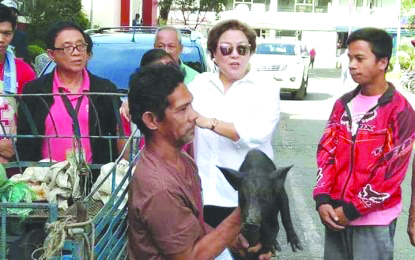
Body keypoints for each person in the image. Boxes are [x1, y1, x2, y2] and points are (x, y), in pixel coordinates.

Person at [127, 63, 271, 260]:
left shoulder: (182, 159)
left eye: (191, 105)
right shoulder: (160, 188)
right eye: (182, 109)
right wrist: (246, 208)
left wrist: (229, 238)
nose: (193, 115)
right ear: (152, 120)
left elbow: (194, 226)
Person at [313, 27, 415, 260]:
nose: (351, 65)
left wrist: (351, 211)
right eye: (349, 58)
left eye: (360, 58)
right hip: (335, 216)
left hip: (374, 221)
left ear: (382, 62)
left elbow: (390, 174)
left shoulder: (400, 111)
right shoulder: (342, 104)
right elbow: (326, 152)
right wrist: (322, 199)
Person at [187, 19, 281, 228]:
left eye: (242, 48)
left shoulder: (266, 87)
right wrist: (134, 100)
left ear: (250, 52)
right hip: (202, 196)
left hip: (247, 201)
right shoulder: (199, 84)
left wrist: (209, 123)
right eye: (226, 49)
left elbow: (258, 134)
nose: (235, 55)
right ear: (213, 53)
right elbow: (171, 104)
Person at [16, 21, 122, 176]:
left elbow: (118, 134)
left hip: (94, 184)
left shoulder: (104, 90)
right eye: (67, 47)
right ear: (51, 54)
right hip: (47, 183)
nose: (76, 52)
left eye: (80, 46)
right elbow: (25, 143)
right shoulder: (35, 91)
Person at [0, 4, 35, 166]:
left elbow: (33, 123)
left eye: (6, 33)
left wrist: (16, 147)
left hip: (13, 165)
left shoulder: (24, 72)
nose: (1, 39)